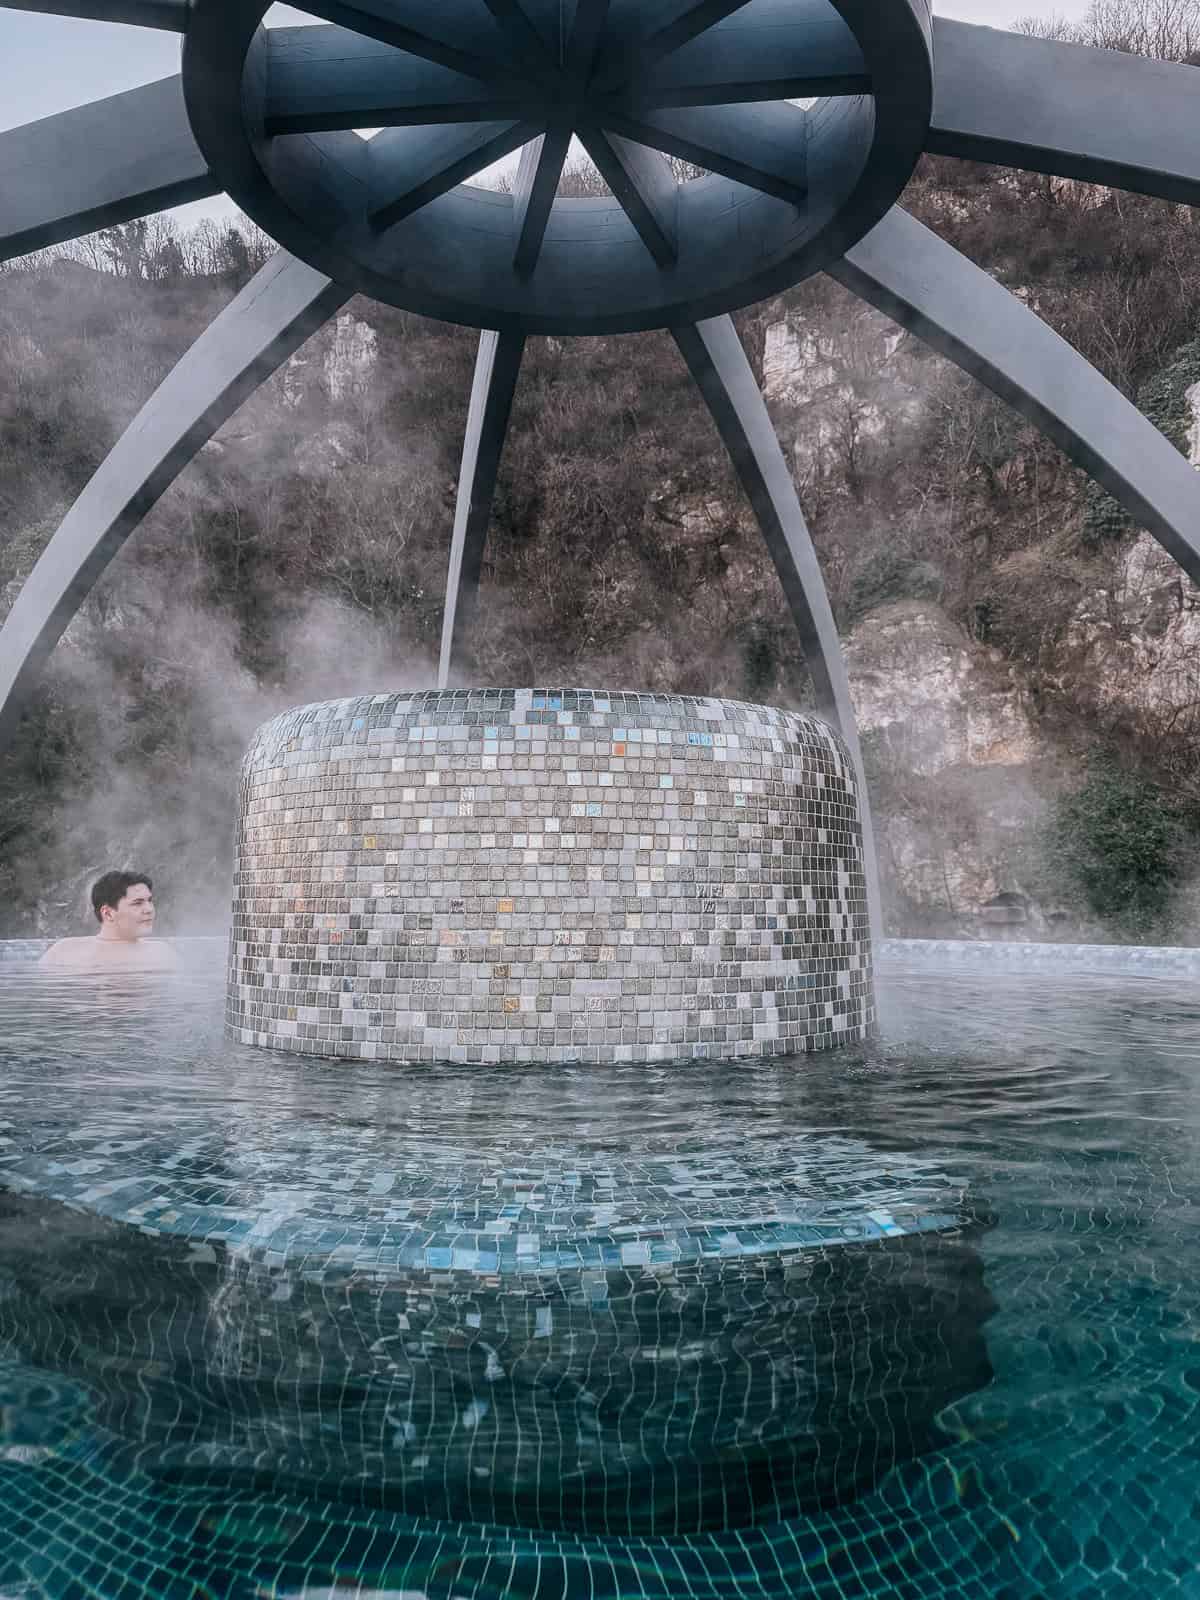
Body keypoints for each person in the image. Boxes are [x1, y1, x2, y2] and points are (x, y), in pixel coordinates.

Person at [38, 870, 179, 972]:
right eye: (137, 903)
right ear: (108, 913)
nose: (149, 909)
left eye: (150, 901)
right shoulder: (66, 951)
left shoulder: (162, 953)